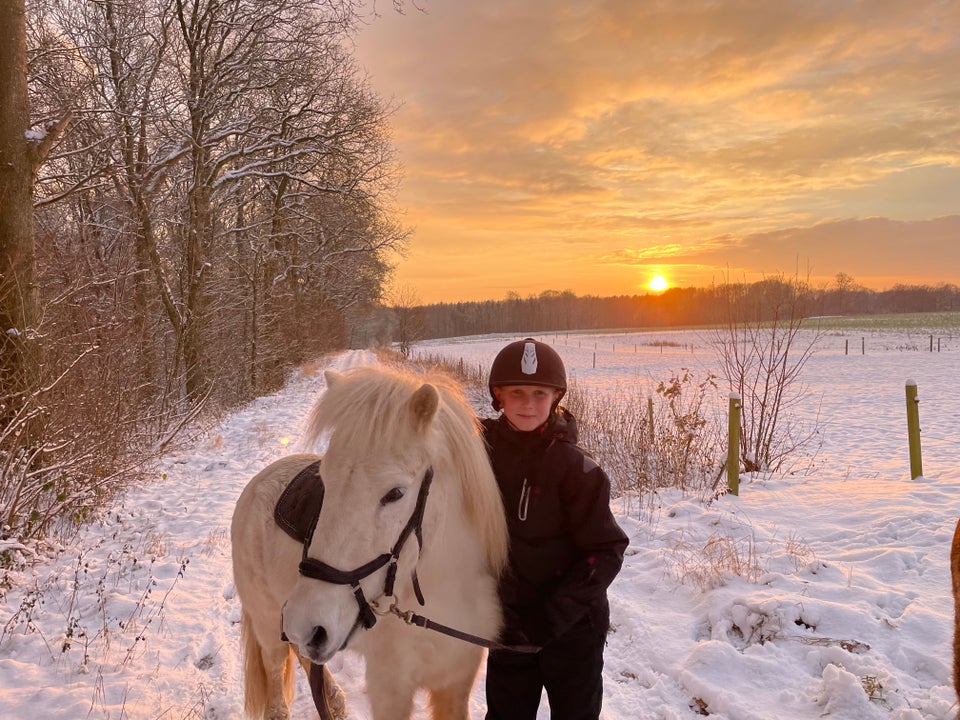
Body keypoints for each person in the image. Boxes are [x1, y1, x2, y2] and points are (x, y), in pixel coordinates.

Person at [481, 338, 629, 720]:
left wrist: (549, 620)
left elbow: (606, 551)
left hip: (573, 630)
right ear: (498, 395)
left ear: (556, 397)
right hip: (509, 626)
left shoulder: (579, 470)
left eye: (539, 393)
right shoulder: (479, 456)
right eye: (516, 393)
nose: (528, 404)